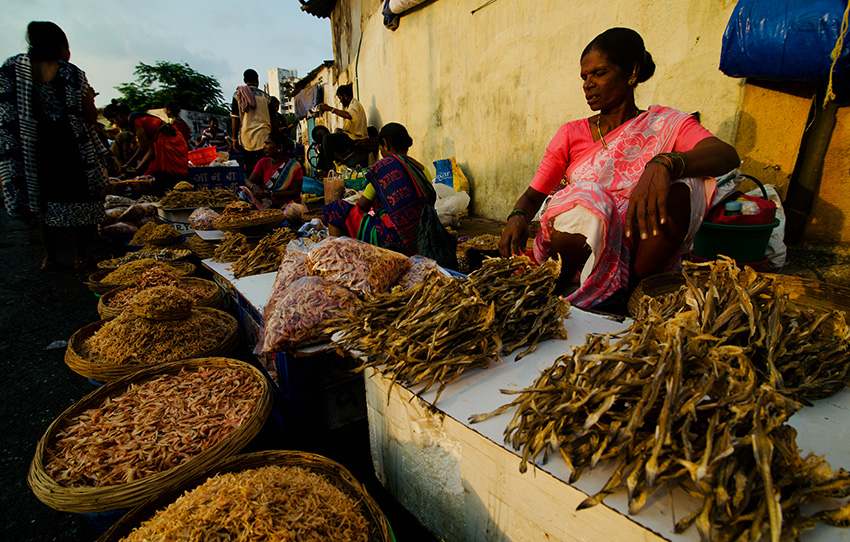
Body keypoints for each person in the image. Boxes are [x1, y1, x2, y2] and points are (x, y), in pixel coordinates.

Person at [499, 28, 740, 309]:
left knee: (687, 185)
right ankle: (582, 283)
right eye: (584, 77)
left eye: (599, 73)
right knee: (588, 198)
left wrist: (666, 162)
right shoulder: (570, 133)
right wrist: (517, 216)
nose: (588, 84)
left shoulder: (665, 122)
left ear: (632, 73)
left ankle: (630, 288)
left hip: (637, 246)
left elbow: (725, 154)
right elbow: (533, 195)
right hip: (576, 250)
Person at [0, 22, 109, 270]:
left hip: (35, 149)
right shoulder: (71, 73)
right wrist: (90, 99)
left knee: (43, 201)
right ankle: (83, 255)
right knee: (83, 198)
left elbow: (6, 113)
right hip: (70, 147)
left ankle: (51, 257)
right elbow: (89, 117)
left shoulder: (11, 69)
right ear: (61, 45)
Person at [323, 123, 435, 255]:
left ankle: (335, 257)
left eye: (381, 146)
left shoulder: (382, 168)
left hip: (394, 240)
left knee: (336, 209)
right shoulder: (420, 168)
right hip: (425, 235)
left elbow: (362, 206)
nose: (381, 151)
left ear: (385, 144)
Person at [104, 100, 189, 193]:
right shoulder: (136, 120)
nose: (115, 124)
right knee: (157, 173)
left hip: (169, 143)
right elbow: (150, 149)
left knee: (168, 174)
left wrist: (129, 166)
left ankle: (176, 191)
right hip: (169, 141)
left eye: (113, 120)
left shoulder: (135, 120)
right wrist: (134, 168)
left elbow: (144, 147)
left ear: (120, 115)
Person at [240, 137, 304, 209]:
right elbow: (248, 180)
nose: (264, 147)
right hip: (267, 203)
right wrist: (253, 186)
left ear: (279, 148)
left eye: (267, 143)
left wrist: (269, 194)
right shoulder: (263, 162)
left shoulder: (294, 166)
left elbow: (295, 192)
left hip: (288, 205)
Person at [316, 84, 368, 171]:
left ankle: (327, 167)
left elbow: (348, 115)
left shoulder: (354, 105)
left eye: (340, 98)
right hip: (351, 135)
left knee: (327, 138)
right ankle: (323, 166)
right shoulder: (352, 104)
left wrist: (330, 109)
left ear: (345, 96)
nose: (340, 101)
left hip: (355, 138)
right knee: (335, 132)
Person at [231, 69, 272, 175]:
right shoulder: (266, 97)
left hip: (247, 139)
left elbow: (235, 118)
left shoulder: (238, 95)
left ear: (245, 80)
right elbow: (273, 119)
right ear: (257, 80)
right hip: (265, 138)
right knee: (265, 170)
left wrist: (234, 139)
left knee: (251, 170)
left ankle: (253, 190)